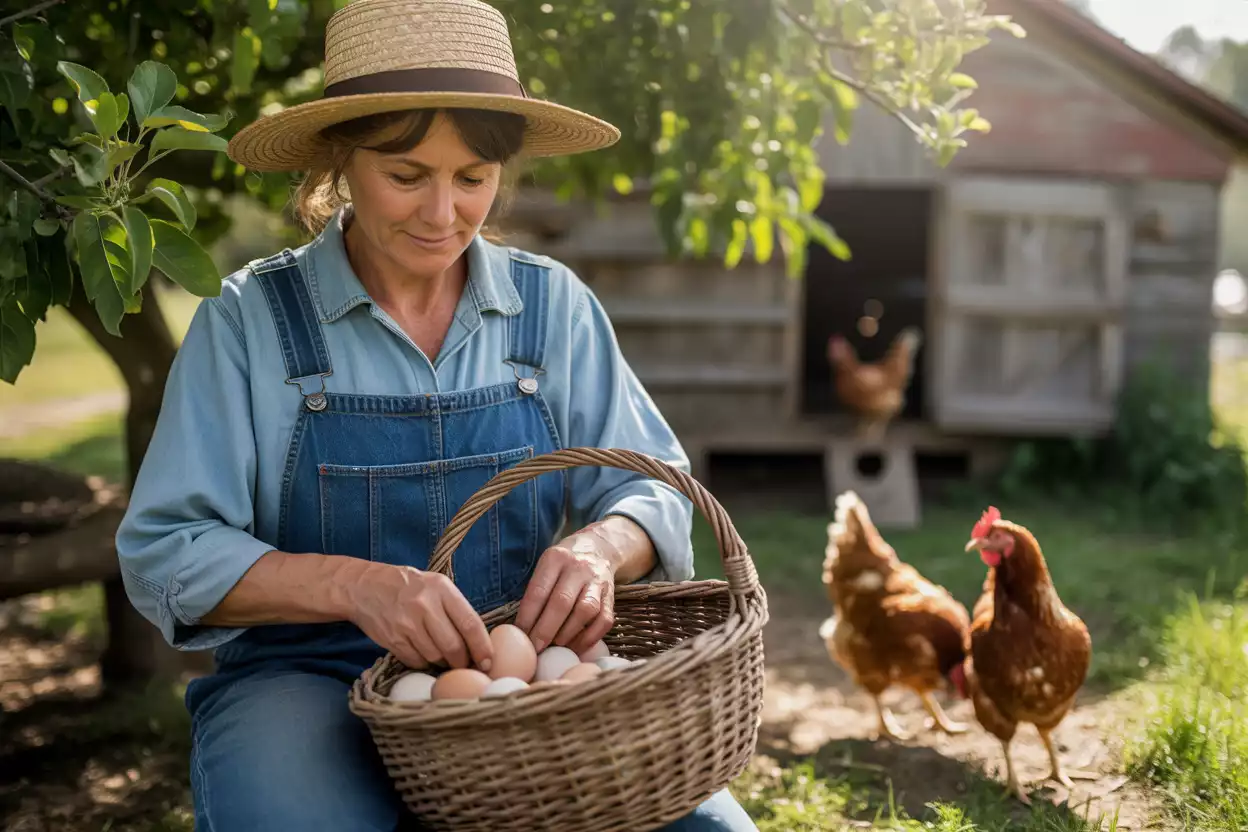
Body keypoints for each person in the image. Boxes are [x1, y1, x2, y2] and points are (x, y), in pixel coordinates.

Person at [114, 0, 759, 829]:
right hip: (307, 679)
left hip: (516, 682)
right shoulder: (248, 321)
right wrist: (355, 586)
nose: (443, 214)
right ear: (341, 160)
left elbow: (654, 488)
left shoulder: (551, 306)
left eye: (473, 179)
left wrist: (601, 548)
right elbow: (168, 549)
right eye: (407, 175)